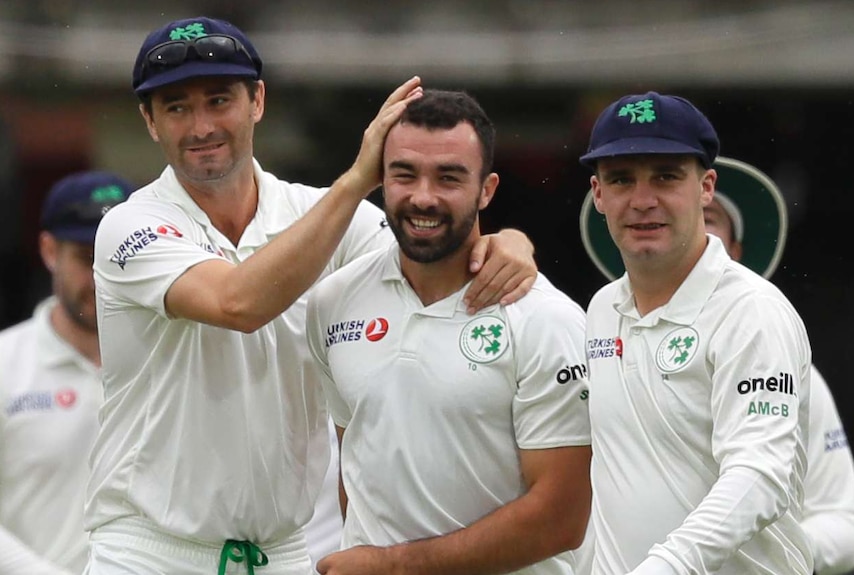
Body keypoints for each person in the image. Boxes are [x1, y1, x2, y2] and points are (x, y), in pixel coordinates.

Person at [84, 16, 538, 575]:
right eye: (176, 107)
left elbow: (435, 260)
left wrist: (511, 241)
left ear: (257, 102)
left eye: (219, 100)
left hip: (286, 553)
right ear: (149, 122)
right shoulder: (130, 226)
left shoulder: (320, 215)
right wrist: (358, 179)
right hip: (149, 555)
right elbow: (238, 304)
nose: (200, 125)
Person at [305, 89, 592, 575]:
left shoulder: (547, 320)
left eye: (449, 178)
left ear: (487, 189)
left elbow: (561, 519)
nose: (423, 196)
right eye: (404, 174)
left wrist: (393, 566)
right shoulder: (333, 301)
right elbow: (357, 467)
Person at [581, 155, 854, 574]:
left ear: (734, 249)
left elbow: (846, 527)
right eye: (623, 180)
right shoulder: (601, 315)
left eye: (710, 219)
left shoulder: (774, 342)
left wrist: (781, 548)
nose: (647, 205)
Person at [0, 171, 133, 575]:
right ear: (49, 250)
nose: (102, 276)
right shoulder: (5, 364)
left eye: (118, 256)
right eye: (86, 256)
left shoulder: (178, 359)